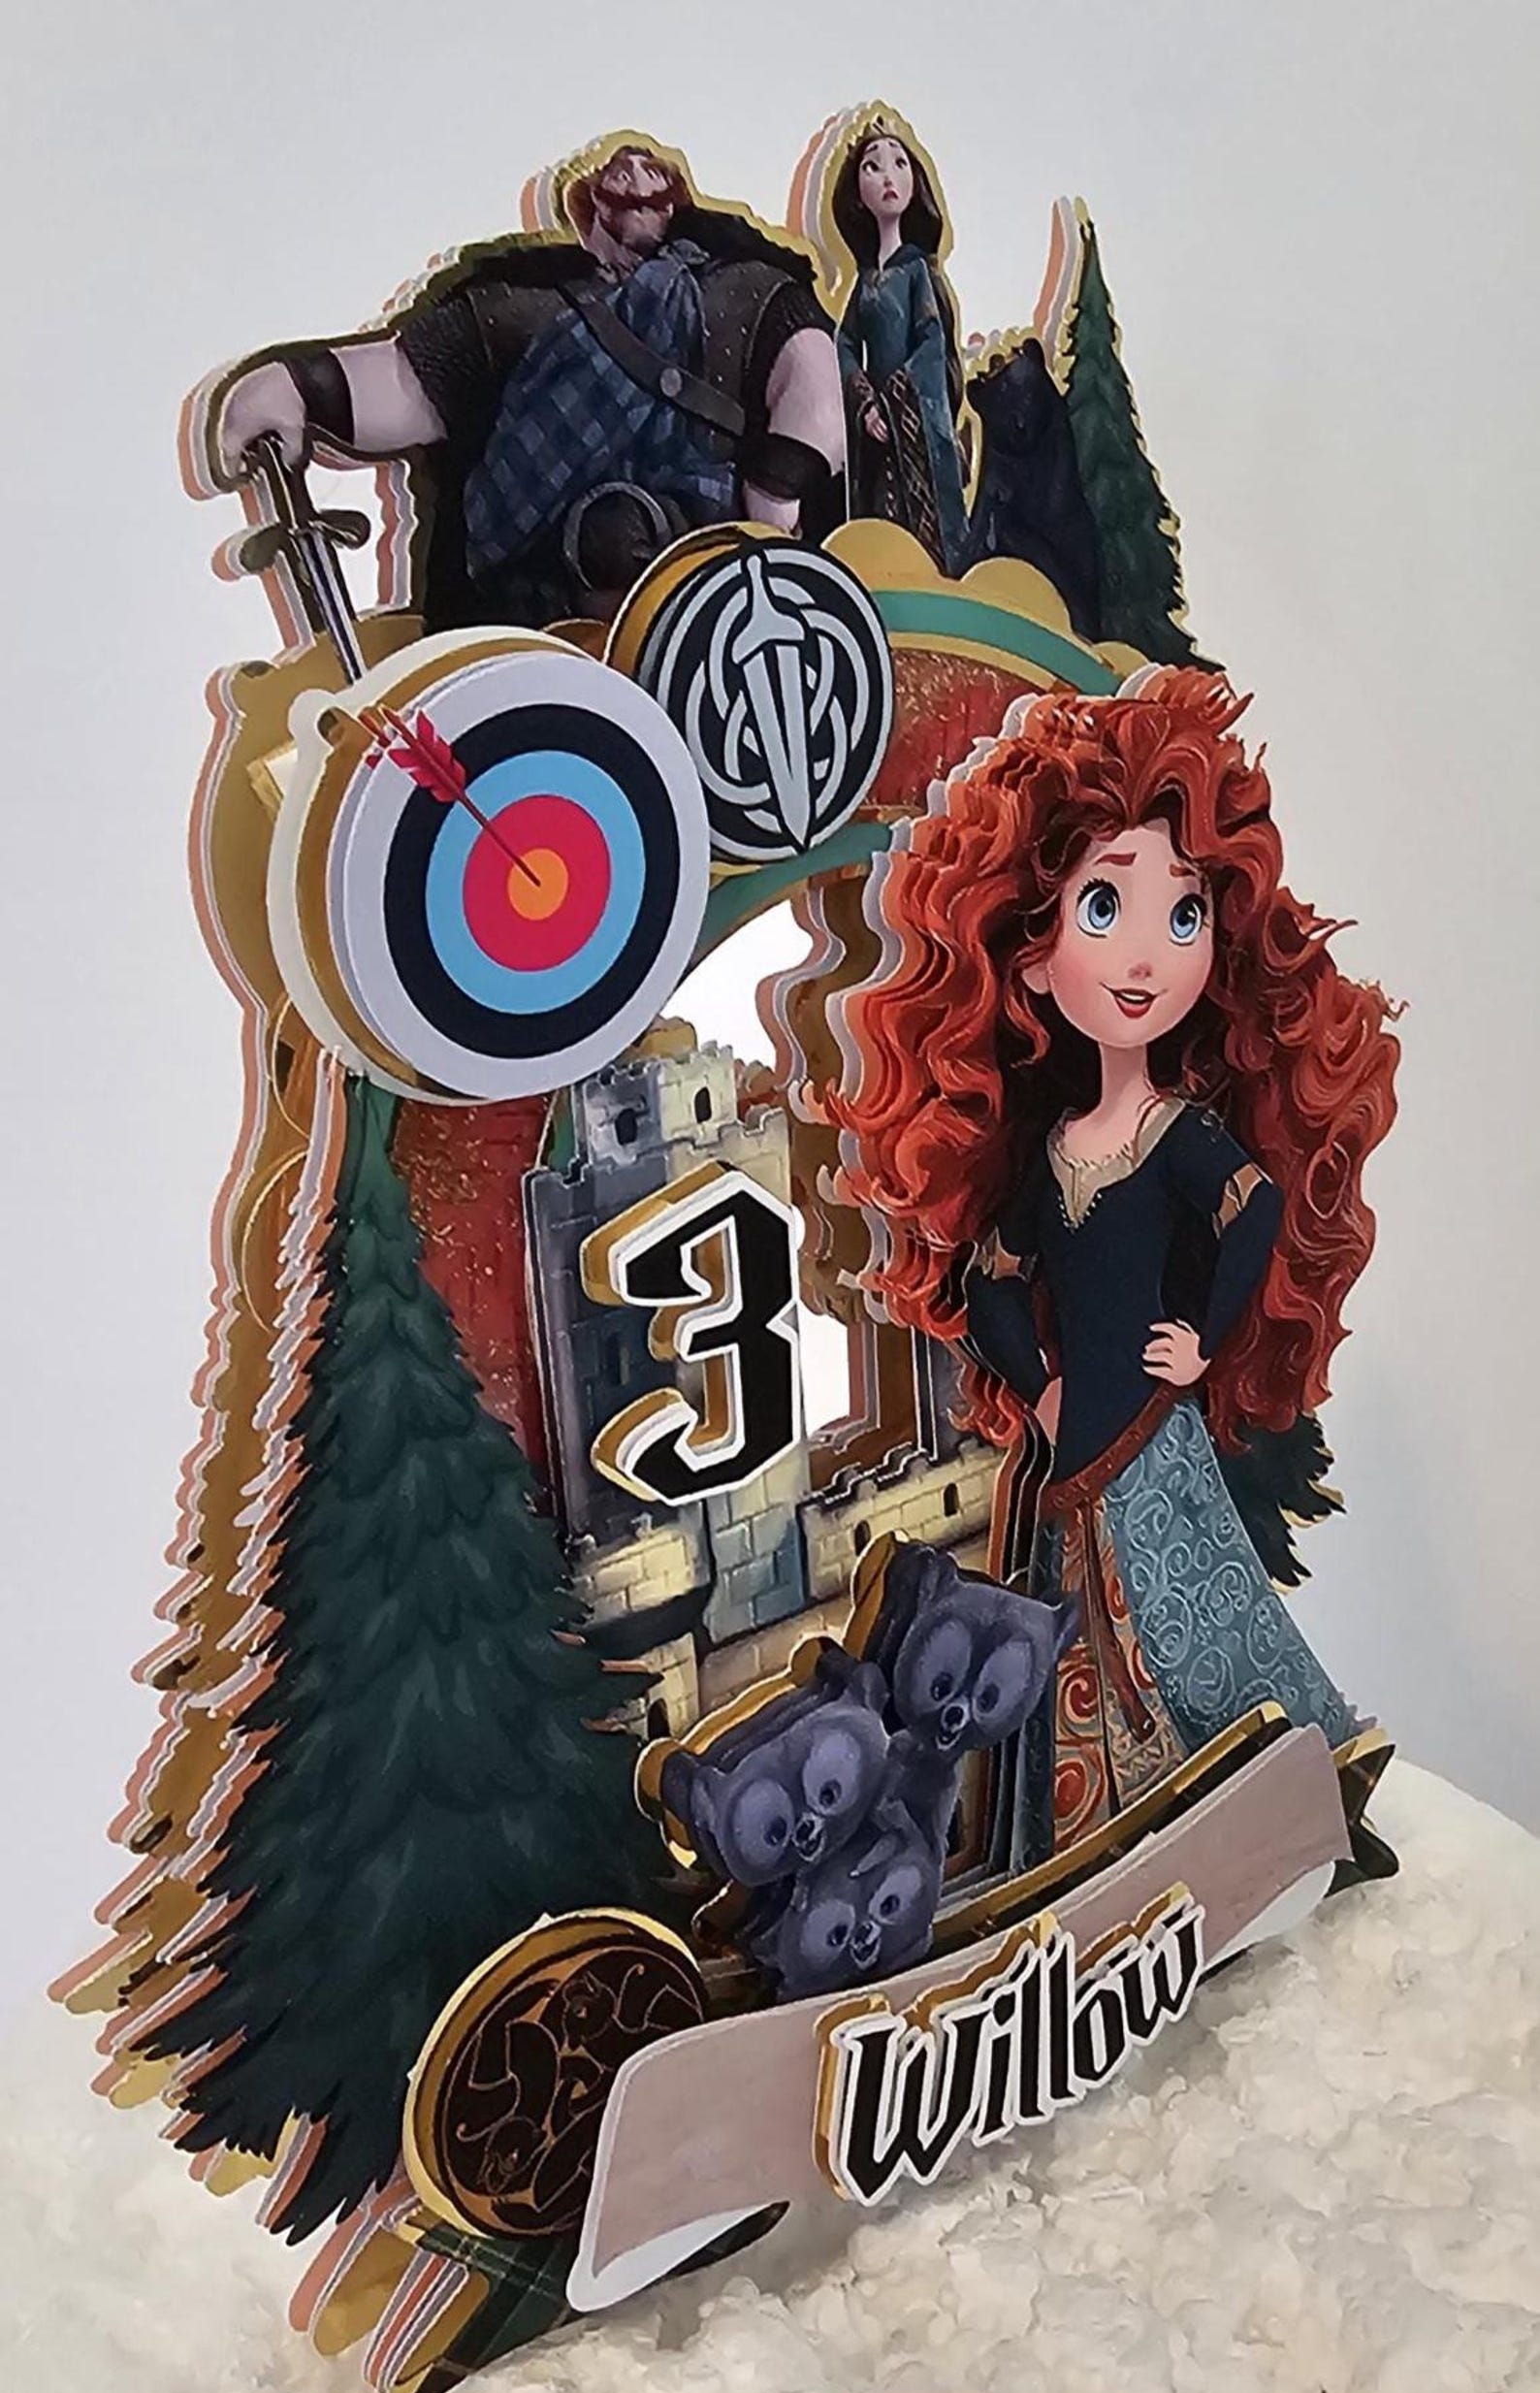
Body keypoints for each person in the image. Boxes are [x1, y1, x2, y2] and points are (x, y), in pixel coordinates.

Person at [835, 671, 1399, 1872]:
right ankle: (1102, 1841)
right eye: (1104, 905)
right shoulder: (1048, 1152)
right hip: (1077, 1439)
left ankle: (1310, 1795)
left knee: (1208, 1619)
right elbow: (990, 1278)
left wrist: (1202, 1337)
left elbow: (1255, 1211)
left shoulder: (1176, 1131)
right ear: (1031, 964)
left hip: (1154, 1425)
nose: (1146, 954)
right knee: (1084, 1649)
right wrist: (1034, 1380)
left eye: (1183, 914)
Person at [212, 145, 846, 631]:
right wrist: (297, 387)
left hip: (723, 615)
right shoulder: (520, 310)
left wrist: (773, 505)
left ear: (676, 200)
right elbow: (403, 383)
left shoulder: (748, 291)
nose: (633, 175)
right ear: (590, 211)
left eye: (648, 173)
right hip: (543, 637)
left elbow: (814, 391)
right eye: (618, 175)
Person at [829, 118, 969, 573]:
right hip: (876, 432)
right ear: (858, 194)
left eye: (899, 164)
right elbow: (844, 342)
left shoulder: (916, 271)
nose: (888, 176)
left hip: (912, 426)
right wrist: (866, 404)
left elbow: (932, 342)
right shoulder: (866, 283)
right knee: (878, 515)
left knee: (920, 530)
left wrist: (893, 403)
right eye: (873, 167)